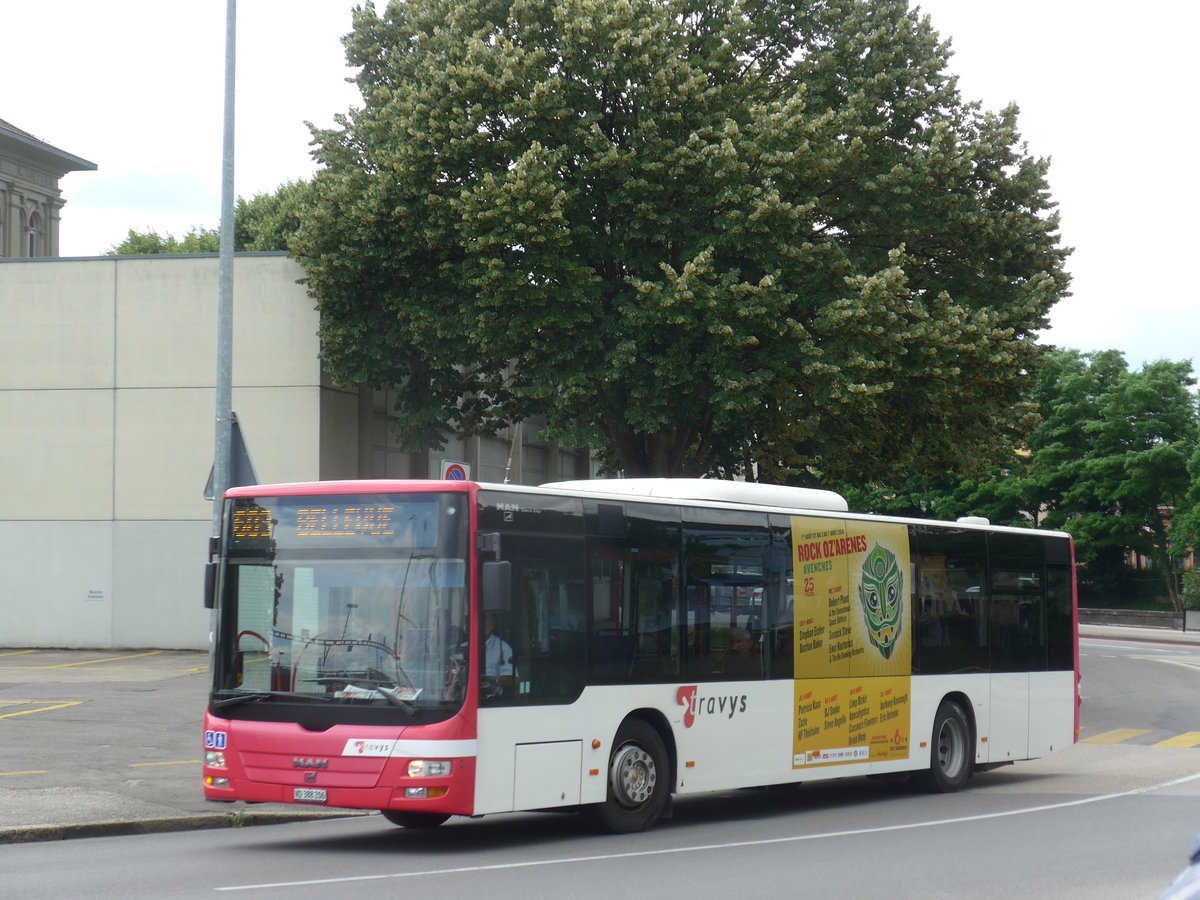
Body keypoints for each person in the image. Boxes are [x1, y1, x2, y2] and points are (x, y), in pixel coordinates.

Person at [482, 612, 515, 697]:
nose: (485, 623)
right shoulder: (464, 647)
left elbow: (511, 679)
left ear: (493, 624)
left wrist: (484, 678)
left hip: (493, 699)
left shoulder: (503, 648)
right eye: (481, 620)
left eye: (488, 620)